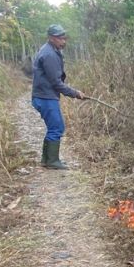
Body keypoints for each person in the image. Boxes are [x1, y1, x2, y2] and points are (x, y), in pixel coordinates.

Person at [31, 24, 85, 170]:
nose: (63, 41)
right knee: (57, 127)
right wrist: (75, 93)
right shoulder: (49, 54)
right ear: (51, 38)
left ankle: (46, 160)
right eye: (60, 38)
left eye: (64, 38)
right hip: (45, 97)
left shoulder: (50, 50)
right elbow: (56, 82)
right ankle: (52, 161)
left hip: (43, 95)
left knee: (53, 127)